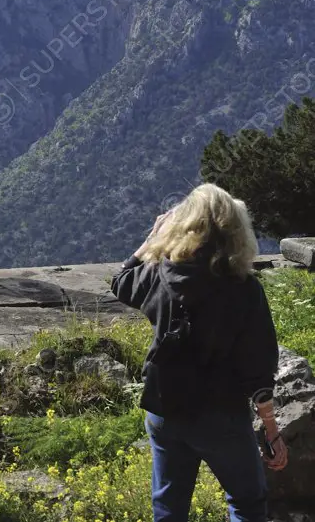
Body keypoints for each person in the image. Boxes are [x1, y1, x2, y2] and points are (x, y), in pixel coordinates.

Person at [110, 183, 288, 522]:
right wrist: (271, 429)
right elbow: (258, 367)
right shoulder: (245, 290)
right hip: (221, 415)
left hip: (164, 408)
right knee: (246, 503)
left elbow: (121, 281)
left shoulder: (159, 274)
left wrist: (152, 239)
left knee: (168, 507)